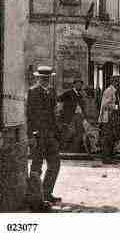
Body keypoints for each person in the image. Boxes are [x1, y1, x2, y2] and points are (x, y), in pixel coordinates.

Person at [27, 66, 61, 207]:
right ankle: (36, 198)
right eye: (43, 78)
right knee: (37, 166)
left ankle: (47, 193)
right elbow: (29, 115)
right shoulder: (33, 92)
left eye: (47, 78)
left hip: (50, 135)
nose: (45, 80)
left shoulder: (52, 91)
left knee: (55, 164)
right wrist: (31, 135)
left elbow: (54, 113)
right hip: (38, 135)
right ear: (38, 78)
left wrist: (56, 132)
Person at [98, 76, 120, 164]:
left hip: (112, 117)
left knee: (112, 138)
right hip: (107, 118)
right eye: (119, 82)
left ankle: (111, 157)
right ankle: (106, 158)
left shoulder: (114, 91)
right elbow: (105, 105)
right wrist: (116, 107)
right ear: (114, 82)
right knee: (107, 138)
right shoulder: (109, 91)